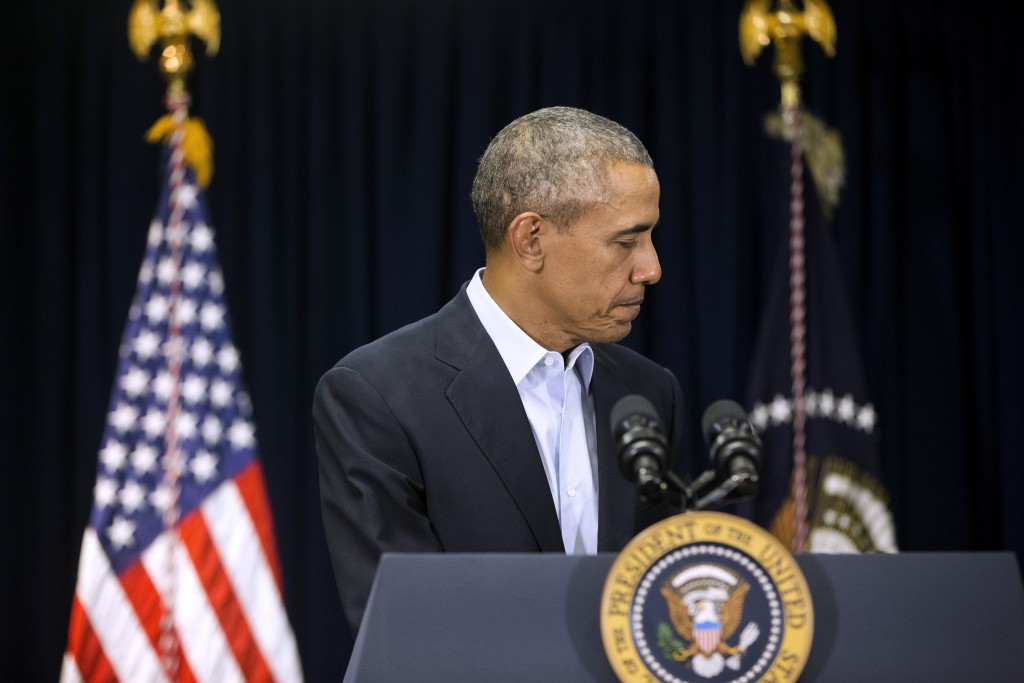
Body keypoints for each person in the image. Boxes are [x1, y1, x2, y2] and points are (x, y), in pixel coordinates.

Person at [313, 106, 687, 636]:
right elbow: (406, 633)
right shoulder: (378, 397)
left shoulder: (649, 393)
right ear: (530, 239)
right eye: (626, 242)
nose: (651, 268)